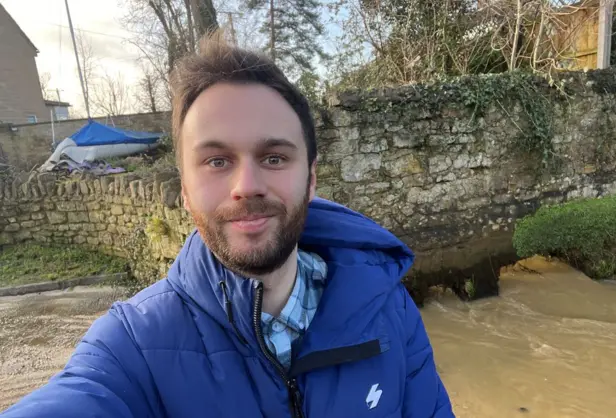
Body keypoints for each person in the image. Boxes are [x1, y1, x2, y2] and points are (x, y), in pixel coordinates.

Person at [1, 32, 454, 418]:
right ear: (184, 190)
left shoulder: (388, 306)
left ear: (311, 179)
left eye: (274, 157)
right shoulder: (133, 345)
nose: (247, 185)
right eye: (217, 161)